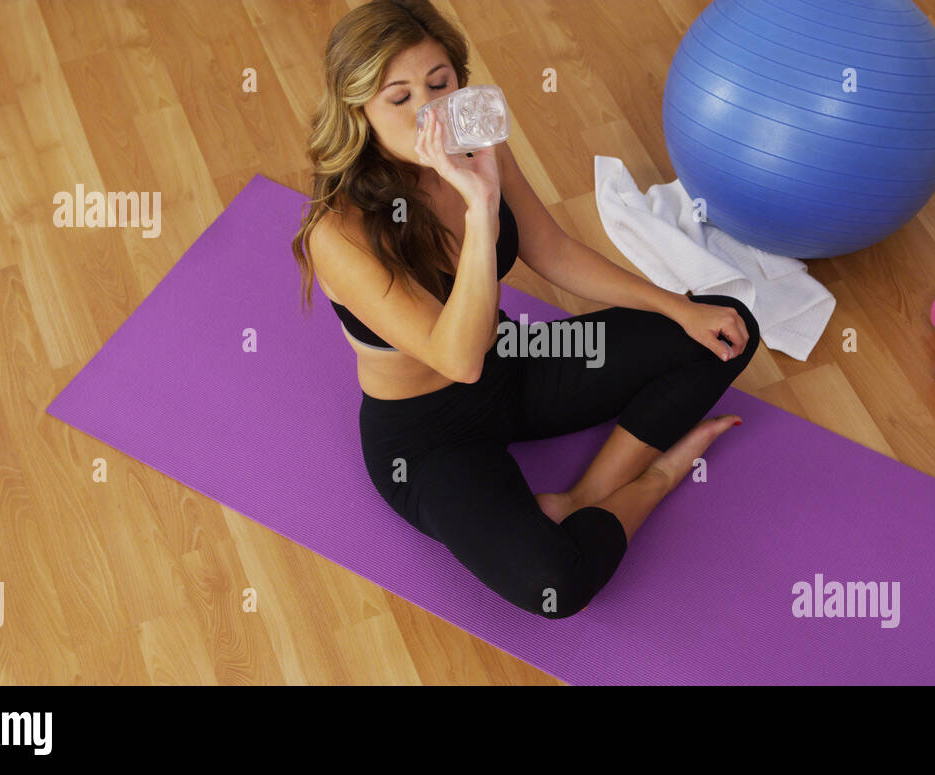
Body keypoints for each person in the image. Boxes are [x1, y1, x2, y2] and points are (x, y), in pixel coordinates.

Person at [291, 0, 760, 619]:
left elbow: (554, 251)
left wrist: (677, 307)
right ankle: (653, 479)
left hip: (516, 363)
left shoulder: (478, 146)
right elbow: (457, 359)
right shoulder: (339, 232)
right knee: (556, 586)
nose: (427, 112)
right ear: (359, 111)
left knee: (725, 328)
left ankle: (587, 494)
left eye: (439, 84)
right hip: (429, 437)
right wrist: (481, 207)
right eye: (397, 97)